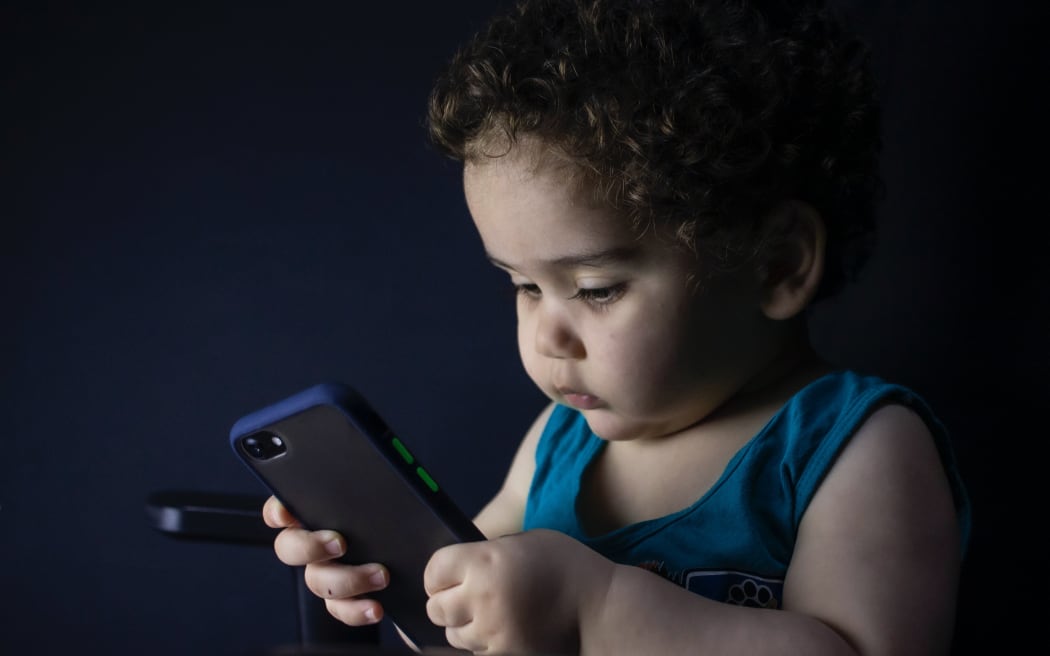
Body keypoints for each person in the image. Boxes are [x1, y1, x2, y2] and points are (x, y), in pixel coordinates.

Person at [264, 0, 972, 653]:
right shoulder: (558, 440)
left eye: (596, 290)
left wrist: (600, 609)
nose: (547, 337)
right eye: (524, 287)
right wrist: (389, 574)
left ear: (776, 265)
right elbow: (473, 616)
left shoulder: (853, 448)